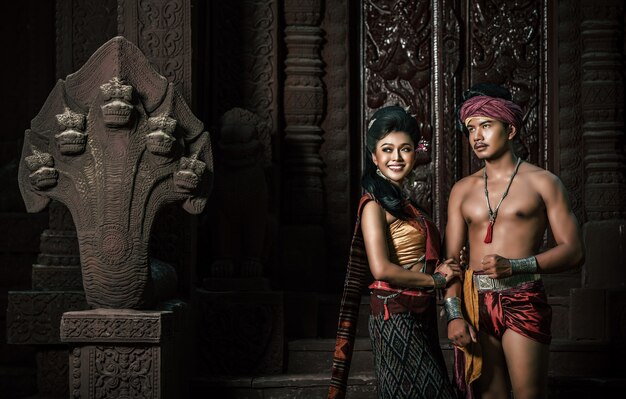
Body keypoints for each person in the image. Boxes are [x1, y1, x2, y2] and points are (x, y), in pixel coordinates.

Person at [444, 84, 585, 399]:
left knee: (528, 394)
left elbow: (574, 251)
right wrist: (454, 314)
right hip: (475, 302)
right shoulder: (462, 190)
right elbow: (450, 262)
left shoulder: (543, 182)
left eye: (486, 125)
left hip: (522, 297)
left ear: (510, 129)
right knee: (490, 396)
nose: (477, 136)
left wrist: (516, 265)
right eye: (470, 129)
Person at [329, 105, 461, 399]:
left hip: (419, 312)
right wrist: (437, 282)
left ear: (416, 153)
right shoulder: (373, 205)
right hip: (394, 315)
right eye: (387, 150)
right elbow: (381, 269)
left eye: (405, 149)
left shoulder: (406, 204)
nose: (397, 158)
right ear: (374, 156)